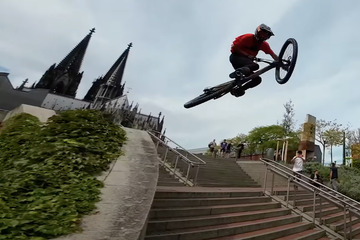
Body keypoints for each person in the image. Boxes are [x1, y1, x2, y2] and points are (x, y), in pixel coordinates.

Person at [229, 24, 279, 97]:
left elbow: (273, 55)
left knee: (257, 79)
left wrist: (282, 63)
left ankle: (239, 89)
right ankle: (239, 72)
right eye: (263, 34)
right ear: (258, 32)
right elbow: (234, 46)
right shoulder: (248, 37)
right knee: (255, 65)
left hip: (245, 65)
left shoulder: (264, 45)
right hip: (236, 57)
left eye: (266, 35)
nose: (263, 36)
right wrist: (247, 55)